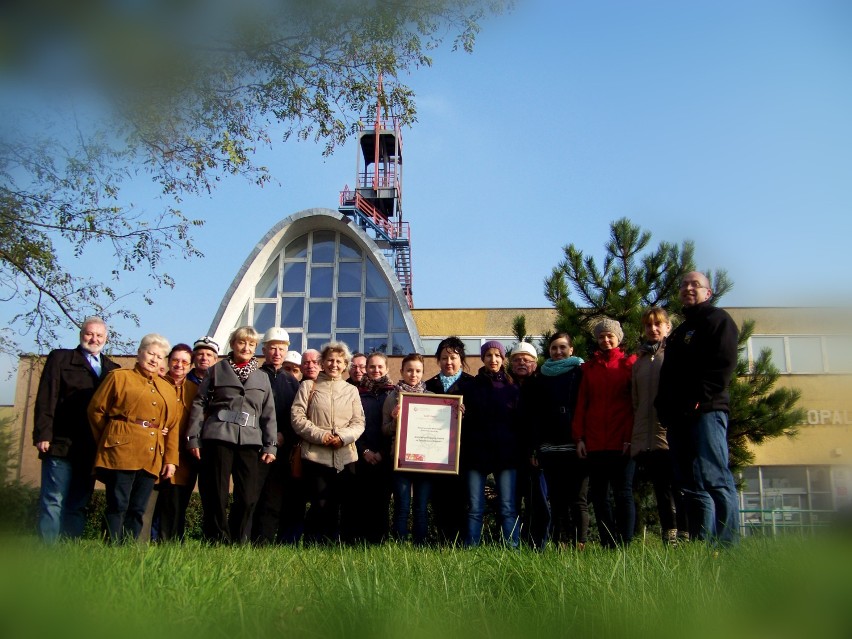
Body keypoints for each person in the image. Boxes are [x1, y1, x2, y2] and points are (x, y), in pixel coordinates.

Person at [656, 271, 740, 545]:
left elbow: (723, 365)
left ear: (708, 292)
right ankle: (702, 543)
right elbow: (667, 376)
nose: (688, 289)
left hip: (706, 411)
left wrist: (699, 398)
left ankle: (726, 545)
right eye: (684, 285)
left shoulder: (718, 320)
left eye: (695, 285)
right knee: (689, 484)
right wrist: (664, 409)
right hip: (678, 418)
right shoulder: (680, 332)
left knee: (714, 476)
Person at [187, 326, 277, 544]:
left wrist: (270, 445)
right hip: (218, 436)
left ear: (256, 348)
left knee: (247, 497)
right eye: (241, 342)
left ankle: (237, 538)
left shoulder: (262, 377)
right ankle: (217, 538)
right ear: (233, 344)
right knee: (217, 493)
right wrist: (193, 437)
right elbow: (200, 404)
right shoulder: (216, 370)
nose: (246, 347)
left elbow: (268, 413)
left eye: (251, 344)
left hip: (249, 440)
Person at [32, 316, 120, 543]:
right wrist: (43, 434)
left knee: (79, 501)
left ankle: (69, 547)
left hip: (90, 446)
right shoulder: (61, 359)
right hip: (61, 441)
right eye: (90, 333)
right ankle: (48, 549)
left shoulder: (112, 370)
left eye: (99, 335)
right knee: (54, 499)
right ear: (81, 334)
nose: (94, 338)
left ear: (106, 338)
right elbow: (46, 397)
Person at [87, 333, 180, 543]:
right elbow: (96, 410)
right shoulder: (119, 377)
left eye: (160, 356)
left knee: (138, 507)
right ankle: (112, 547)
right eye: (150, 353)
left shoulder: (167, 387)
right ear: (139, 353)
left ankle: (128, 548)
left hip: (151, 455)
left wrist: (171, 460)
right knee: (118, 503)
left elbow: (172, 426)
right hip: (121, 450)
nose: (154, 359)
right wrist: (111, 436)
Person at [291, 341, 365, 543]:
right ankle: (315, 543)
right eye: (330, 360)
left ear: (345, 365)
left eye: (339, 361)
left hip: (346, 455)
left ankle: (343, 545)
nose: (334, 364)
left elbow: (359, 422)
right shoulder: (308, 386)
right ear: (322, 363)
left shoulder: (351, 391)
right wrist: (321, 436)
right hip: (316, 455)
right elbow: (297, 417)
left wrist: (342, 437)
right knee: (320, 503)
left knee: (347, 503)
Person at [573, 319, 637, 548]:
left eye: (610, 336)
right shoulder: (588, 369)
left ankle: (625, 542)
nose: (606, 340)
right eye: (601, 337)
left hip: (623, 441)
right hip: (596, 442)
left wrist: (631, 438)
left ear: (618, 338)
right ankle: (609, 543)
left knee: (623, 494)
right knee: (600, 497)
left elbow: (635, 404)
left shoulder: (630, 365)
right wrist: (579, 438)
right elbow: (582, 404)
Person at [521, 332, 587, 549]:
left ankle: (580, 543)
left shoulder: (581, 372)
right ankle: (561, 542)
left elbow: (586, 407)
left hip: (575, 443)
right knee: (557, 499)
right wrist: (535, 448)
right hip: (549, 446)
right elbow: (535, 414)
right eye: (553, 348)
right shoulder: (541, 376)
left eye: (562, 347)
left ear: (571, 350)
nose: (558, 352)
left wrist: (582, 438)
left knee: (577, 499)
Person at [631, 307, 688, 545]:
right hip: (649, 436)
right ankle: (669, 535)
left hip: (672, 430)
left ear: (667, 327)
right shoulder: (640, 361)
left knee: (680, 486)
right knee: (661, 488)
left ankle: (686, 533)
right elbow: (636, 400)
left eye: (658, 324)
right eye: (648, 325)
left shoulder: (676, 353)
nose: (653, 329)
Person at [461, 341, 520, 547]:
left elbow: (519, 422)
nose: (493, 359)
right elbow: (463, 420)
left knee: (507, 507)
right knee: (475, 507)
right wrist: (460, 413)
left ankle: (513, 548)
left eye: (497, 355)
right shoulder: (470, 387)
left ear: (503, 359)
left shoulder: (513, 388)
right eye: (488, 355)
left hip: (506, 455)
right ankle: (471, 548)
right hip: (477, 454)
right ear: (483, 358)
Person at [252, 327, 302, 545]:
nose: (277, 353)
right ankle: (244, 538)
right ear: (264, 350)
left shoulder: (291, 382)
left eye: (281, 349)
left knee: (274, 498)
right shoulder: (255, 377)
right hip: (256, 445)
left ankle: (264, 542)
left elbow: (296, 415)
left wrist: (284, 435)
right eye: (272, 348)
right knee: (250, 496)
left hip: (282, 448)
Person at [424, 336, 474, 544]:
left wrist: (467, 414)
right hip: (435, 455)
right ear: (438, 360)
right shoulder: (428, 386)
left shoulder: (472, 385)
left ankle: (461, 542)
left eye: (453, 357)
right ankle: (442, 541)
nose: (448, 362)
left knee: (462, 499)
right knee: (439, 499)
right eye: (444, 358)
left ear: (461, 359)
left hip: (463, 455)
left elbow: (482, 418)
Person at [382, 353, 433, 545]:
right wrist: (395, 420)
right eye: (409, 370)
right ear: (402, 371)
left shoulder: (434, 398)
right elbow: (384, 431)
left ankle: (420, 546)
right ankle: (399, 545)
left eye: (418, 371)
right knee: (402, 506)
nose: (413, 374)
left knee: (420, 507)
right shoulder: (392, 397)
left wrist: (455, 412)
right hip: (400, 459)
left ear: (422, 373)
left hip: (425, 461)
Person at [152, 343, 198, 542]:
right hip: (156, 450)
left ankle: (172, 543)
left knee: (177, 503)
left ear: (190, 366)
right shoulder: (158, 383)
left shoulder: (195, 390)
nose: (179, 365)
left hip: (183, 456)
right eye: (175, 361)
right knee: (153, 501)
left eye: (184, 362)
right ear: (169, 362)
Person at [349, 351, 395, 543]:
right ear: (366, 369)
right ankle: (358, 541)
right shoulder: (356, 393)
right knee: (360, 500)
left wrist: (382, 453)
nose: (376, 370)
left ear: (386, 368)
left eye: (380, 367)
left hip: (385, 456)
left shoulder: (395, 394)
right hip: (361, 455)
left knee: (382, 500)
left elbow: (396, 428)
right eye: (372, 367)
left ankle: (379, 541)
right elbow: (349, 424)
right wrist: (365, 450)